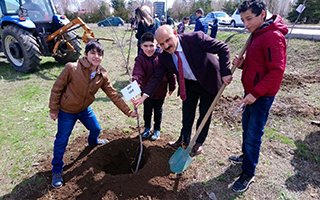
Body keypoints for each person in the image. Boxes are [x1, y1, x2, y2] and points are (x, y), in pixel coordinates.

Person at [49, 41, 137, 188]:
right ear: (86, 54)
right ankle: (57, 171)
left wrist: (128, 111)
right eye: (93, 53)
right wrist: (53, 109)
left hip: (84, 110)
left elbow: (113, 95)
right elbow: (57, 88)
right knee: (61, 141)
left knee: (96, 129)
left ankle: (93, 142)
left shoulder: (101, 74)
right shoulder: (72, 68)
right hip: (67, 111)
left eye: (99, 54)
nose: (96, 56)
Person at [133, 25, 232, 155]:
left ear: (175, 33)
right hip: (189, 84)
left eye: (168, 40)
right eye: (161, 44)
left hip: (209, 81)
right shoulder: (164, 57)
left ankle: (198, 143)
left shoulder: (196, 38)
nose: (166, 46)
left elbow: (223, 48)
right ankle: (184, 140)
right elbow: (157, 77)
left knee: (204, 114)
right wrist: (144, 96)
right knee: (187, 114)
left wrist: (225, 72)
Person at [229, 0, 288, 193]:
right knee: (246, 128)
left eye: (249, 19)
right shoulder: (256, 33)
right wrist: (243, 63)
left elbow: (276, 72)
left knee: (254, 134)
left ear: (262, 14)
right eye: (243, 20)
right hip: (251, 93)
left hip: (261, 97)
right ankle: (246, 156)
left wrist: (256, 93)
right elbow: (258, 65)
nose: (246, 24)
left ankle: (248, 173)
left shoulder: (273, 37)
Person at [132, 32, 176, 141]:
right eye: (145, 46)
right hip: (146, 92)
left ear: (156, 45)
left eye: (151, 45)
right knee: (147, 111)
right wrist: (135, 84)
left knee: (158, 111)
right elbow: (137, 74)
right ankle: (147, 127)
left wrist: (172, 87)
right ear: (141, 46)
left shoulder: (163, 57)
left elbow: (171, 73)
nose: (149, 49)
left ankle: (157, 129)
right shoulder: (139, 59)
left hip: (160, 91)